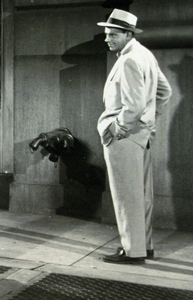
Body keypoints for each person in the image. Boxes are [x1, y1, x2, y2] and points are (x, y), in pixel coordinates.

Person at [96, 9, 172, 264]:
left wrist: (118, 128)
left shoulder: (129, 59)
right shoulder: (144, 54)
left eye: (113, 34)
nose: (107, 38)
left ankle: (132, 251)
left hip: (126, 138)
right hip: (142, 136)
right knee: (141, 195)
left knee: (127, 196)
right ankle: (143, 246)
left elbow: (135, 105)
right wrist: (149, 121)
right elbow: (165, 92)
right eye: (107, 34)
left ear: (128, 34)